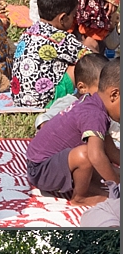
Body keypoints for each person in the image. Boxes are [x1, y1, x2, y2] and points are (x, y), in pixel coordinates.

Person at [26, 59, 120, 206]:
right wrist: (118, 184)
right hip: (40, 171)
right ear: (114, 95)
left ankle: (92, 185)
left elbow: (112, 150)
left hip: (51, 162)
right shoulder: (95, 114)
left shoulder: (95, 104)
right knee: (87, 155)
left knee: (106, 164)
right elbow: (96, 156)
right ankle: (80, 197)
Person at [11, 0, 87, 108]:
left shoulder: (27, 32)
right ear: (62, 18)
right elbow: (90, 59)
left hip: (19, 100)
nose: (75, 19)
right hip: (45, 104)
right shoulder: (62, 38)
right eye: (73, 16)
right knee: (82, 66)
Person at [34, 52, 106, 130]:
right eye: (101, 89)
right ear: (82, 88)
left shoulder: (101, 106)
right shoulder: (69, 103)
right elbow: (42, 119)